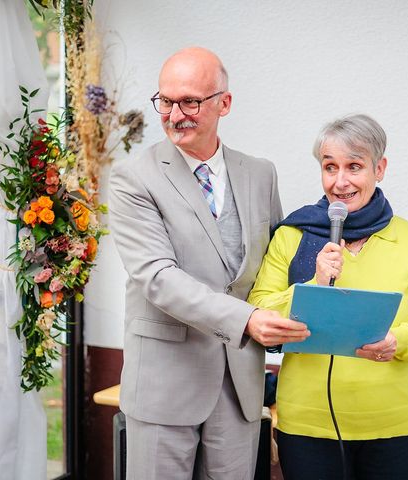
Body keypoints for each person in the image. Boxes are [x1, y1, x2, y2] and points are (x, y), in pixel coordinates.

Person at [108, 47, 310, 480]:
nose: (175, 114)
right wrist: (249, 319)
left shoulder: (261, 173)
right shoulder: (133, 178)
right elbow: (158, 278)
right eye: (165, 101)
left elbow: (273, 265)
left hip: (240, 385)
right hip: (165, 383)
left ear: (225, 103)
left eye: (190, 102)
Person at [248, 114, 408, 479]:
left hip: (393, 421)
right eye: (330, 167)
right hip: (308, 424)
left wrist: (398, 340)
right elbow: (259, 309)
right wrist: (313, 282)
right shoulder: (293, 236)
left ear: (380, 168)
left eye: (354, 166)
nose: (340, 182)